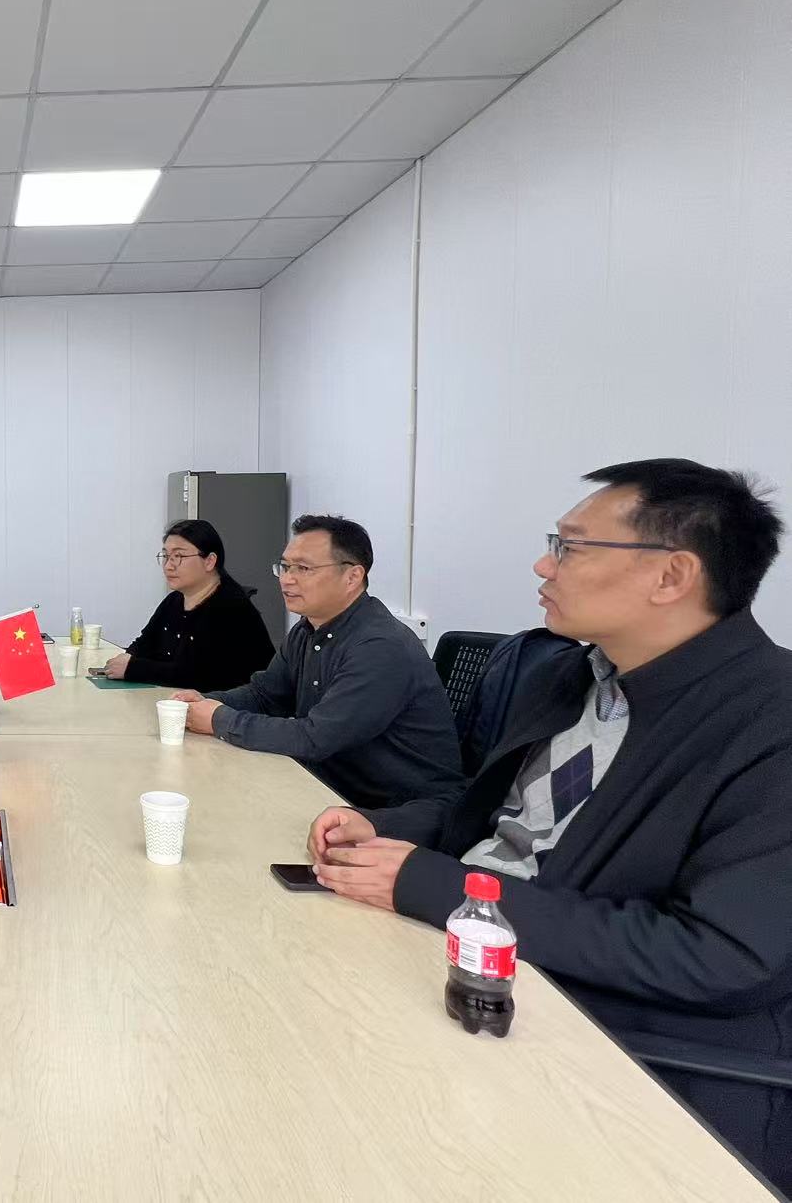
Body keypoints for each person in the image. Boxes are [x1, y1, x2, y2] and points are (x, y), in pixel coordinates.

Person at [308, 460, 791, 1193]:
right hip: (463, 969)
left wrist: (436, 887)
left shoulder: (769, 723)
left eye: (570, 547)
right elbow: (486, 816)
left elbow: (722, 959)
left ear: (671, 576)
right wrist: (376, 826)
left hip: (611, 1059)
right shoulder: (571, 678)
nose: (543, 565)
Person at [172, 514, 461, 807]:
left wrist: (218, 718)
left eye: (304, 568)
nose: (287, 579)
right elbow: (265, 695)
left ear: (352, 577)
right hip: (325, 783)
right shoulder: (307, 629)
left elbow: (316, 738)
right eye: (285, 567)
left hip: (393, 808)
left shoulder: (380, 646)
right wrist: (206, 702)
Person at [103, 519, 274, 691]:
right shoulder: (174, 600)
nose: (168, 566)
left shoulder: (231, 608)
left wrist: (134, 668)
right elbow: (145, 643)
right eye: (166, 556)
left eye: (178, 556)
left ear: (209, 561)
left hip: (231, 704)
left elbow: (202, 676)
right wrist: (126, 659)